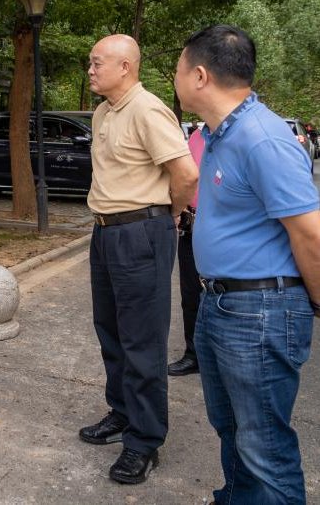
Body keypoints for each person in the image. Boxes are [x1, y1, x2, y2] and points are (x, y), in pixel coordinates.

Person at [174, 25, 320, 504]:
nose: (174, 77)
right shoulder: (221, 134)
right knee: (232, 429)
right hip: (223, 305)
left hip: (260, 311)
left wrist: (313, 304)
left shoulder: (263, 138)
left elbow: (311, 235)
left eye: (177, 67)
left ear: (199, 75)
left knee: (265, 447)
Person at [80, 34, 198, 485]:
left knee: (142, 341)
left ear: (125, 66)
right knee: (110, 330)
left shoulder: (148, 109)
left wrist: (165, 214)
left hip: (140, 232)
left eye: (97, 63)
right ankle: (122, 412)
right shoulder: (104, 111)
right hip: (105, 232)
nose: (90, 70)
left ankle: (145, 441)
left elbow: (186, 173)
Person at [168, 118, 206, 376]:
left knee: (220, 296)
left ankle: (218, 357)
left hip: (220, 229)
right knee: (190, 294)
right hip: (191, 226)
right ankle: (193, 354)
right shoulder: (196, 136)